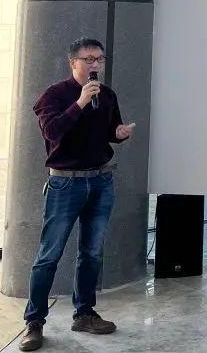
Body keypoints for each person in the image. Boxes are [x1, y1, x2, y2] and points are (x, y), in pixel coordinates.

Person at [17, 38, 137, 352]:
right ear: (73, 63)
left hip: (101, 181)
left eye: (100, 59)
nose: (95, 65)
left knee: (92, 252)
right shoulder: (54, 95)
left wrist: (119, 134)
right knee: (49, 255)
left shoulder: (107, 95)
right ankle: (34, 322)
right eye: (89, 59)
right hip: (65, 184)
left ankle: (84, 313)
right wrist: (81, 102)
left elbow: (109, 131)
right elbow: (52, 132)